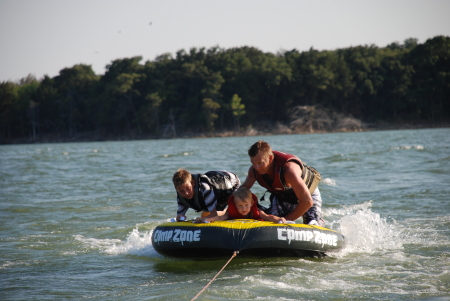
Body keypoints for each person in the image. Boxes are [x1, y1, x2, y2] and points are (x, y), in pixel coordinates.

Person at [241, 140, 323, 225]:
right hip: (283, 197)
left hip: (308, 195)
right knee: (268, 222)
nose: (257, 167)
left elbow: (307, 202)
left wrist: (283, 221)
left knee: (312, 223)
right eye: (253, 163)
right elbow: (241, 191)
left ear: (270, 158)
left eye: (260, 163)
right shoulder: (253, 171)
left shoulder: (288, 171)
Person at [172, 168, 240, 221]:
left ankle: (227, 211)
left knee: (232, 213)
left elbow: (214, 214)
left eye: (188, 188)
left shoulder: (205, 188)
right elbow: (180, 215)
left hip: (231, 181)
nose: (186, 193)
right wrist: (180, 217)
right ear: (176, 189)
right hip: (214, 186)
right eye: (181, 191)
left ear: (193, 183)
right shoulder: (180, 195)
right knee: (204, 216)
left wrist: (202, 220)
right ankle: (225, 212)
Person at [194, 186, 286, 223]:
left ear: (251, 203)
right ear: (235, 204)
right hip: (227, 212)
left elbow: (267, 217)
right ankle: (204, 215)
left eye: (246, 205)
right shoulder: (232, 210)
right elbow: (221, 217)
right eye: (240, 206)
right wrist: (207, 219)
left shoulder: (257, 211)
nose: (244, 208)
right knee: (223, 212)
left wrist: (279, 219)